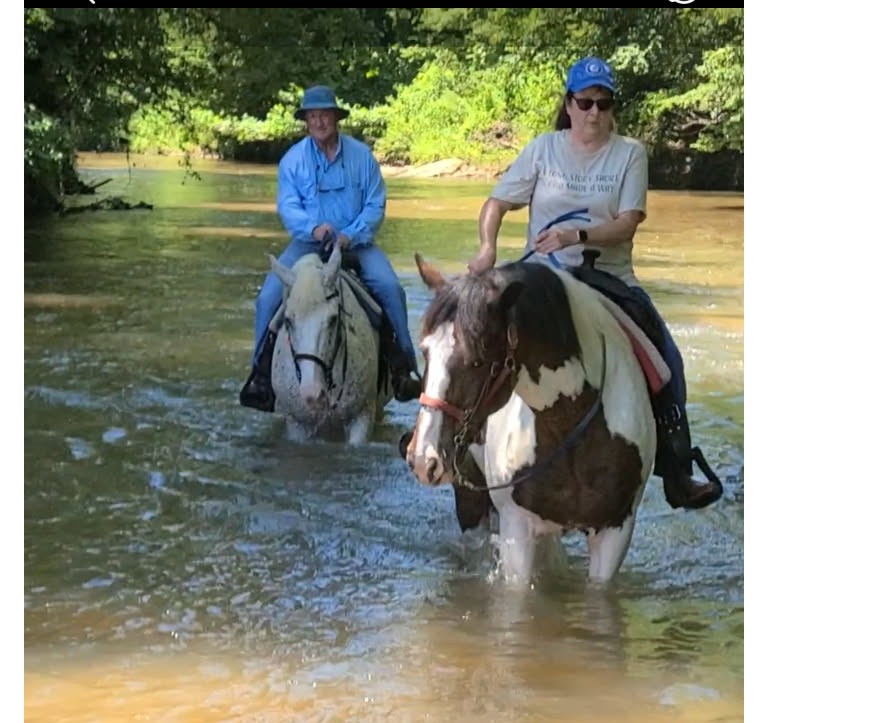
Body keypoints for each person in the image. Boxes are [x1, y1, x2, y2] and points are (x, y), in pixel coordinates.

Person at [468, 57, 723, 511]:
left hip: (609, 280)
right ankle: (452, 439)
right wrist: (487, 248)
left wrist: (576, 236)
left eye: (603, 104)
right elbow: (496, 204)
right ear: (569, 104)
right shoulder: (543, 149)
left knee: (666, 360)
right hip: (541, 279)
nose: (594, 113)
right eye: (585, 103)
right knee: (470, 331)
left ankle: (678, 468)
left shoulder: (630, 154)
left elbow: (627, 223)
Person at [239, 84, 422, 412]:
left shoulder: (362, 157)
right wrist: (313, 228)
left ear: (336, 118)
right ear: (306, 122)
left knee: (391, 288)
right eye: (313, 116)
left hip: (357, 244)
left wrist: (349, 235)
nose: (320, 122)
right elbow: (288, 206)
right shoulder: (292, 160)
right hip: (307, 244)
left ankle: (403, 368)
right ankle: (260, 377)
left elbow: (375, 204)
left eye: (325, 115)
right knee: (267, 298)